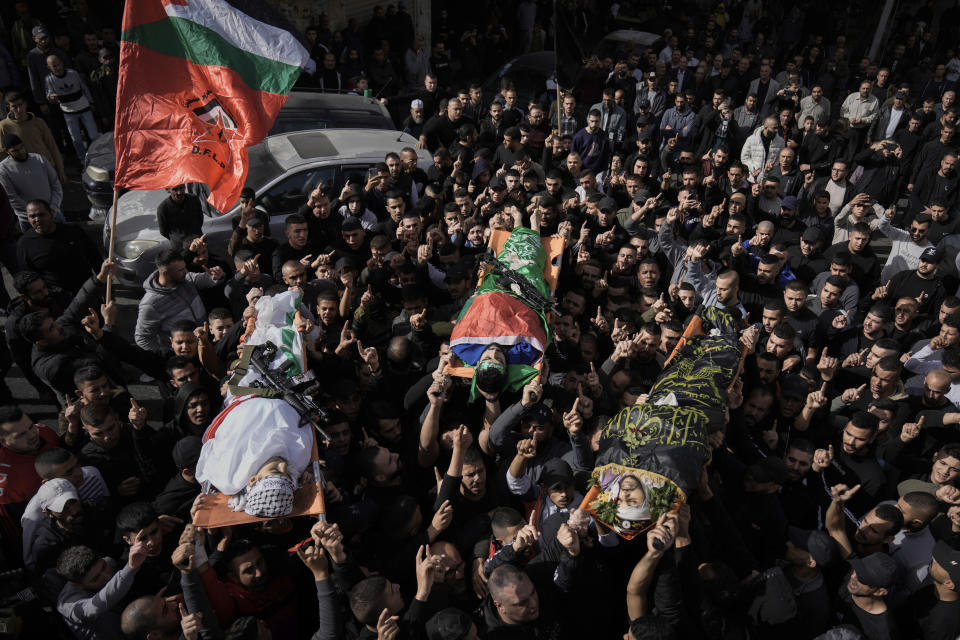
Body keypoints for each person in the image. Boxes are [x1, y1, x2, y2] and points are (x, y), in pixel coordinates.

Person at [16, 199, 100, 296]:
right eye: (32, 216)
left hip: (88, 291)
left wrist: (105, 284)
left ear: (52, 214)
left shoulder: (73, 231)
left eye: (41, 215)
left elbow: (95, 258)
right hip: (58, 300)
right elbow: (28, 278)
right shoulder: (25, 244)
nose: (37, 219)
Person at [0, 132, 61, 231]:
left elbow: (55, 184)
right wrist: (34, 214)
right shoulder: (3, 169)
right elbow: (11, 197)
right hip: (29, 220)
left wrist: (53, 208)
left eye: (21, 147)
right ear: (6, 151)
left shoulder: (39, 159)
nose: (21, 152)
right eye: (15, 151)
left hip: (54, 213)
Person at [43, 53, 97, 162]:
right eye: (54, 66)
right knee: (76, 139)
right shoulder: (49, 79)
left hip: (83, 107)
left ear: (62, 63)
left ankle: (97, 156)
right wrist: (51, 97)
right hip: (68, 111)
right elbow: (49, 94)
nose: (57, 68)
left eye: (58, 65)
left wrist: (91, 102)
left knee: (94, 135)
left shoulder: (73, 74)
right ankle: (83, 160)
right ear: (49, 68)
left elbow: (84, 87)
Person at [156, 185, 203, 250]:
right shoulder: (163, 209)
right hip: (180, 247)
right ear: (167, 190)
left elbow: (200, 219)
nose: (179, 192)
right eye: (175, 189)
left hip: (198, 241)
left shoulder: (194, 199)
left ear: (185, 187)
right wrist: (177, 238)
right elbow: (163, 231)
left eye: (181, 188)